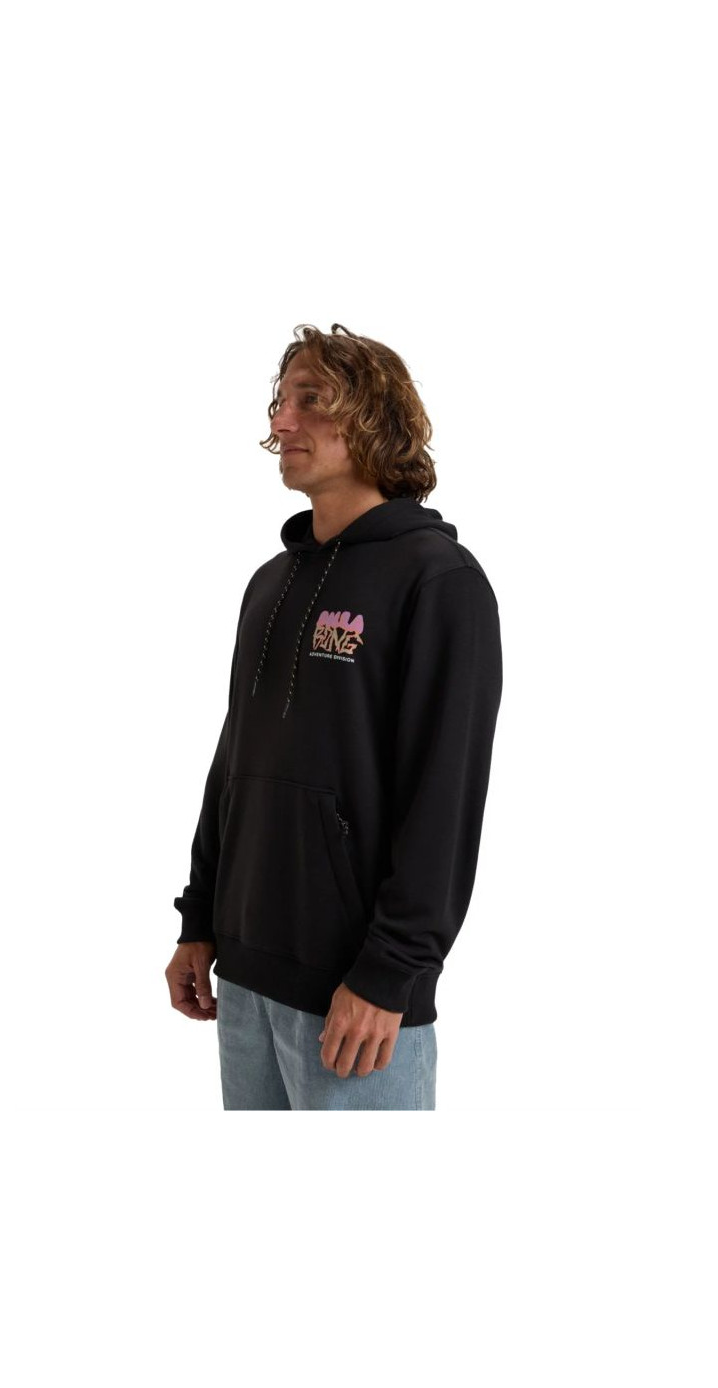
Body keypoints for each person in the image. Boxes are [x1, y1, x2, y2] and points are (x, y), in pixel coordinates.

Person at [165, 322, 503, 1110]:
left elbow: (445, 795)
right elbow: (235, 760)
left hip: (357, 999)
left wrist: (391, 972)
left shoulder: (438, 581)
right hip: (244, 979)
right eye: (280, 401)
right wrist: (199, 917)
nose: (282, 421)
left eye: (311, 400)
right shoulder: (270, 582)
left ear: (374, 417)